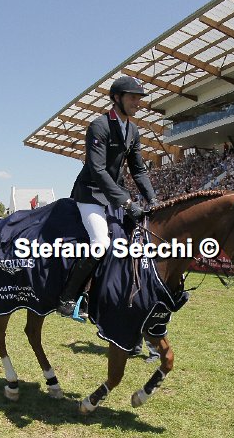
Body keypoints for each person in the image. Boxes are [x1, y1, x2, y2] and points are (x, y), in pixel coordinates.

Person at [56, 76, 158, 319]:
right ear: (116, 98)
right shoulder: (99, 126)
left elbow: (139, 170)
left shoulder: (133, 130)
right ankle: (67, 297)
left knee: (135, 239)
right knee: (100, 242)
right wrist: (127, 202)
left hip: (114, 195)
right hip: (91, 194)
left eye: (139, 98)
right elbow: (98, 170)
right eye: (133, 97)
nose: (137, 103)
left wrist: (153, 200)